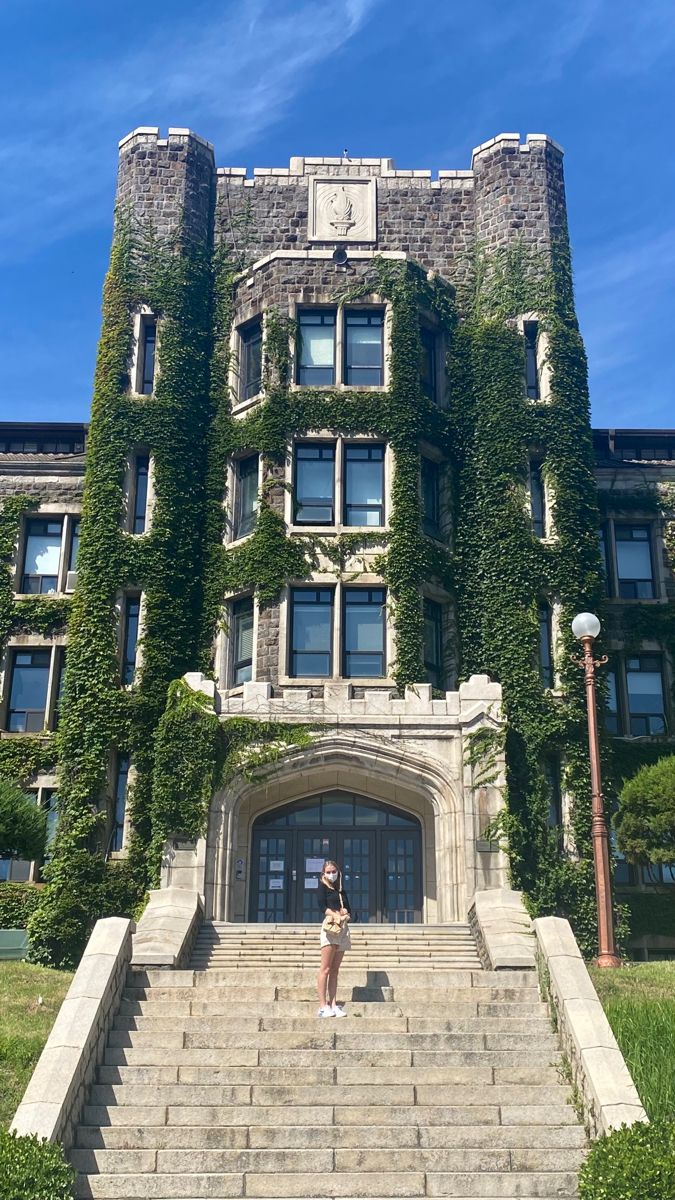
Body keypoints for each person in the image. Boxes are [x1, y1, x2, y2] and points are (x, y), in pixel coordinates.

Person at [316, 859, 351, 1018]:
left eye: (334, 871)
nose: (331, 874)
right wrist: (335, 914)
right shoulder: (323, 887)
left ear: (338, 872)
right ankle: (323, 1006)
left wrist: (346, 913)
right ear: (324, 873)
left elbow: (349, 910)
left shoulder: (341, 890)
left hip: (342, 929)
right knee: (326, 968)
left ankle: (334, 1004)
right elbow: (322, 907)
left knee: (335, 970)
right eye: (328, 872)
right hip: (330, 927)